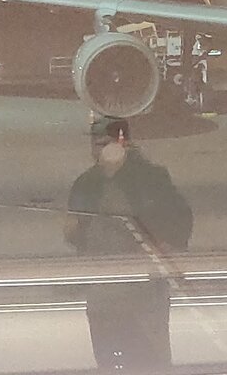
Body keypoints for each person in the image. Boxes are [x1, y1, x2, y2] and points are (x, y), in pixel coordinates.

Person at [64, 118, 193, 374]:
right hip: (105, 292)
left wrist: (164, 251)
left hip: (143, 293)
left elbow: (180, 221)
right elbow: (73, 231)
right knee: (111, 358)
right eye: (95, 144)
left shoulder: (150, 178)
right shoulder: (87, 183)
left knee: (148, 360)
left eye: (104, 143)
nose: (98, 150)